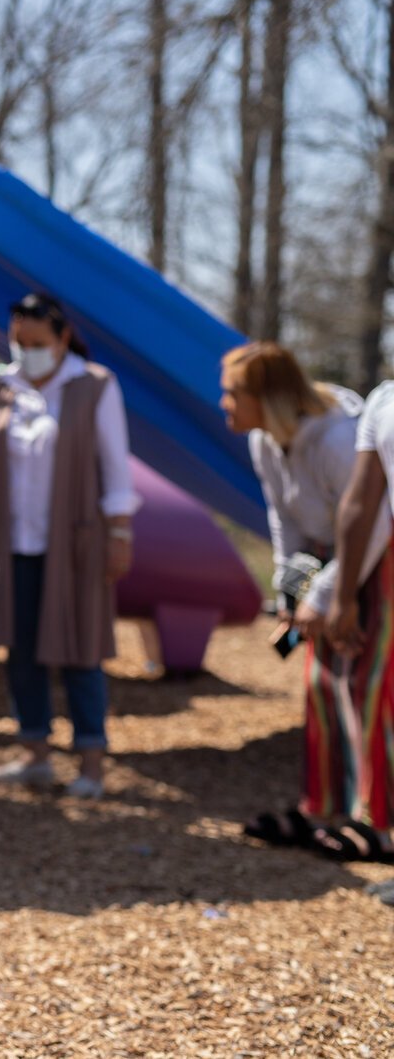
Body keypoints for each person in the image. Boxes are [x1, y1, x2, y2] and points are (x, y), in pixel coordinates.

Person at [0, 292, 138, 799]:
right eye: (19, 341)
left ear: (61, 339)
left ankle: (92, 761)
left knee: (80, 647)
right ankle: (35, 752)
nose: (27, 350)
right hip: (14, 541)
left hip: (76, 541)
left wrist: (120, 533)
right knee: (21, 649)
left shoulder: (93, 386)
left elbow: (114, 463)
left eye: (37, 342)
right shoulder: (1, 386)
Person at [218, 342, 389, 856]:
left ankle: (379, 820)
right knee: (321, 682)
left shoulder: (336, 438)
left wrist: (336, 594)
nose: (223, 403)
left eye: (232, 393)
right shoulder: (266, 442)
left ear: (266, 397)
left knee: (369, 684)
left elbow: (374, 521)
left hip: (375, 558)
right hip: (331, 561)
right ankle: (325, 808)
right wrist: (293, 593)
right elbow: (286, 522)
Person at [318, 378, 394, 863]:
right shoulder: (384, 401)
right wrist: (341, 597)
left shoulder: (386, 399)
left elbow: (360, 505)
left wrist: (342, 597)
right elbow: (359, 504)